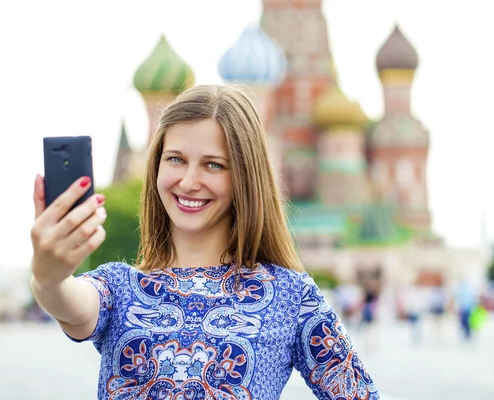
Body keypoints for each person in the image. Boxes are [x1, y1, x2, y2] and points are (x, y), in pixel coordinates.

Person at [30, 84, 379, 400]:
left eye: (213, 165)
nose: (189, 180)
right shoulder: (119, 288)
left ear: (245, 176)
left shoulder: (290, 295)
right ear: (156, 167)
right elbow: (69, 302)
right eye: (176, 159)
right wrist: (49, 276)